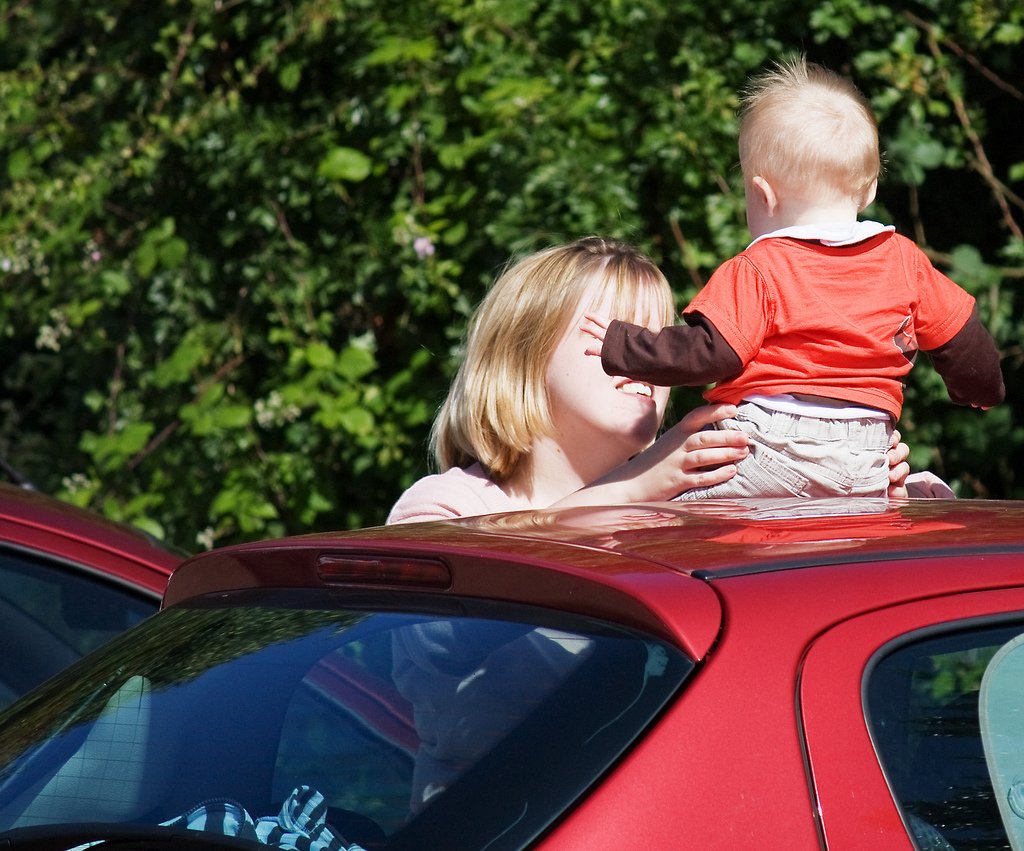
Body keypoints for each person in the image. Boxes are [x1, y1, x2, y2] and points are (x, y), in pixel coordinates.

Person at [581, 58, 1004, 499]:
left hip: (770, 445)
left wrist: (622, 345)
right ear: (870, 189)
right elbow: (963, 338)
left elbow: (711, 353)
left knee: (667, 513)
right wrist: (982, 388)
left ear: (762, 193)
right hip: (869, 452)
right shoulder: (904, 260)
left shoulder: (760, 267)